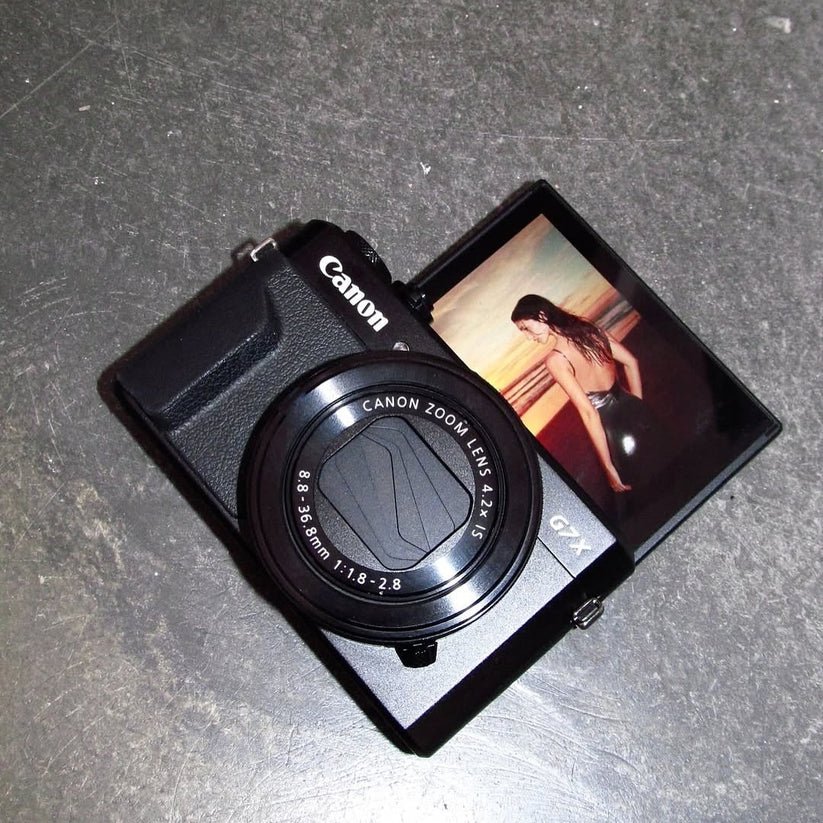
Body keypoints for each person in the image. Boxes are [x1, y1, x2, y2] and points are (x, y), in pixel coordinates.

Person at [511, 293, 661, 493]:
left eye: (526, 328)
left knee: (644, 493)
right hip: (641, 415)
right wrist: (638, 407)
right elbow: (631, 362)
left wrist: (608, 467)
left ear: (542, 315)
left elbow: (590, 413)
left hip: (613, 435)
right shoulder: (591, 329)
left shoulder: (556, 361)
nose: (528, 337)